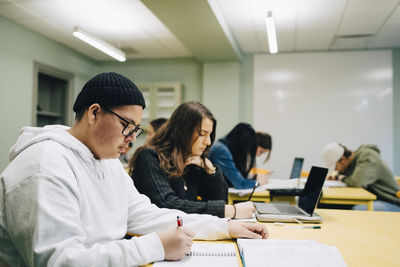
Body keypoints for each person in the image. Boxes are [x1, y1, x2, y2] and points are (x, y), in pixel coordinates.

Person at [0, 72, 268, 267]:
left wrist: (224, 227)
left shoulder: (106, 162)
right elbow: (59, 261)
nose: (132, 137)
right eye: (127, 125)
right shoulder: (45, 165)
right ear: (94, 113)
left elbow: (148, 215)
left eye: (136, 128)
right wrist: (155, 246)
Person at [130, 101, 254, 219]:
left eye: (210, 135)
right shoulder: (149, 156)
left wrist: (211, 172)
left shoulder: (192, 161)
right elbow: (167, 204)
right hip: (153, 237)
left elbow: (220, 200)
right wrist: (229, 210)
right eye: (202, 134)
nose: (208, 142)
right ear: (182, 131)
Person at [322, 142, 400, 211]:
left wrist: (340, 178)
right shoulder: (352, 163)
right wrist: (337, 177)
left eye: (336, 168)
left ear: (343, 159)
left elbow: (357, 182)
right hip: (376, 198)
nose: (336, 171)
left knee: (357, 209)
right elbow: (349, 175)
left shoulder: (367, 157)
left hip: (390, 201)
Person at [208, 123, 269, 189]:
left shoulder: (224, 147)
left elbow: (236, 176)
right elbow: (240, 183)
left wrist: (252, 177)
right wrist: (258, 183)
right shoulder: (222, 150)